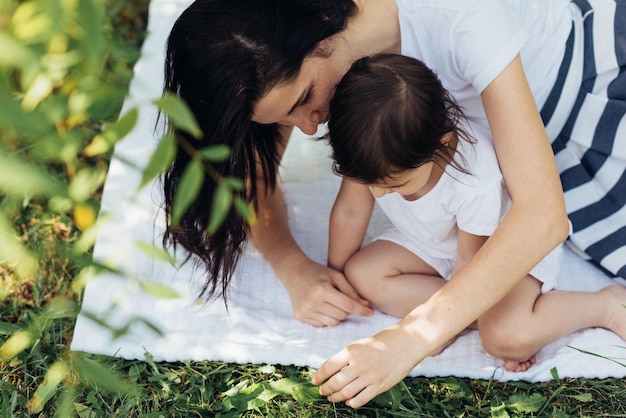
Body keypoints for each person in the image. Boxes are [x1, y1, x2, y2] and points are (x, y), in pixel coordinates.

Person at [162, 0, 626, 407]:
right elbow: (248, 183)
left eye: (304, 99)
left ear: (321, 23)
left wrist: (412, 339)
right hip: (516, 157)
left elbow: (543, 217)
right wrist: (294, 267)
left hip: (580, 97)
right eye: (285, 117)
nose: (306, 128)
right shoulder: (292, 57)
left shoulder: (462, 18)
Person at [324, 53, 626, 375]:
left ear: (441, 143)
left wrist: (434, 329)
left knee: (505, 337)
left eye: (395, 184)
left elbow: (471, 263)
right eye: (371, 183)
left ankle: (605, 306)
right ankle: (476, 318)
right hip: (437, 242)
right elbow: (351, 213)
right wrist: (336, 279)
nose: (379, 193)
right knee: (362, 272)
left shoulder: (474, 181)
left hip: (502, 250)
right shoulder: (370, 148)